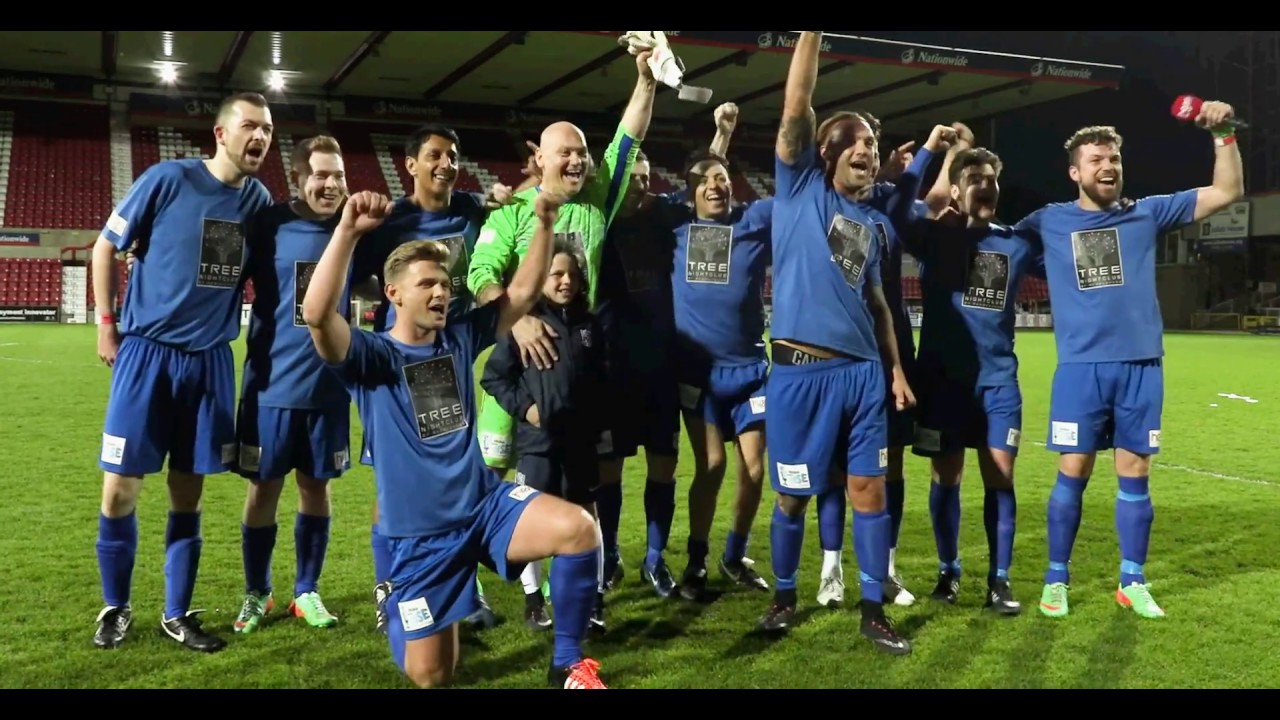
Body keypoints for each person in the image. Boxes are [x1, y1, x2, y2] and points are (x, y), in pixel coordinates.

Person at [301, 189, 607, 689]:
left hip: (484, 507)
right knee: (432, 675)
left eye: (444, 284)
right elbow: (317, 315)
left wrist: (545, 223)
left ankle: (567, 666)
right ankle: (397, 599)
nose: (440, 292)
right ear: (394, 294)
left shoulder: (459, 338)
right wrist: (348, 232)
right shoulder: (372, 358)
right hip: (422, 538)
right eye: (426, 284)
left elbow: (521, 295)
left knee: (578, 529)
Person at [1012, 107, 1243, 619]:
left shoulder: (1147, 212)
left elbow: (1226, 192)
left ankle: (1132, 581)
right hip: (1081, 369)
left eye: (1113, 158)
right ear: (1075, 171)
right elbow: (993, 246)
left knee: (1135, 474)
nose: (1108, 166)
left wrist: (1224, 134)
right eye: (1096, 160)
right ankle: (1056, 579)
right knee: (1072, 471)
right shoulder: (1048, 221)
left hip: (1142, 366)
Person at [762, 31, 949, 654]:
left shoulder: (871, 223)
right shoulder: (798, 188)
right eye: (858, 142)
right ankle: (783, 597)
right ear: (828, 151)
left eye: (873, 144)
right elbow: (796, 104)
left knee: (869, 489)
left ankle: (873, 610)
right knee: (792, 495)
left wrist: (894, 369)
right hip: (799, 374)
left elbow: (878, 304)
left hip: (864, 377)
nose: (869, 151)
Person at [92, 92, 275, 652]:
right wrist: (106, 324)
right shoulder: (167, 179)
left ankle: (177, 614)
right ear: (220, 133)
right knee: (120, 489)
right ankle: (116, 607)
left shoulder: (260, 201)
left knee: (187, 494)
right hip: (147, 353)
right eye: (250, 126)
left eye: (267, 130)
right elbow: (105, 247)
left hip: (210, 361)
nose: (260, 137)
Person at [350, 123, 511, 632]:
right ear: (411, 165)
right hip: (402, 366)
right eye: (435, 155)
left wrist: (515, 191)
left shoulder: (470, 210)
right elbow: (357, 282)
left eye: (453, 155)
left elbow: (507, 215)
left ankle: (464, 585)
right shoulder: (391, 223)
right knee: (394, 485)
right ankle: (390, 589)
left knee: (459, 477)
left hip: (454, 356)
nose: (446, 163)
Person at [592, 104, 735, 602]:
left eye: (645, 178)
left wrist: (721, 136)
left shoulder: (665, 212)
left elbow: (703, 181)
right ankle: (609, 554)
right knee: (608, 471)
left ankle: (655, 558)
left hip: (660, 367)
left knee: (663, 466)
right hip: (610, 367)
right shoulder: (598, 218)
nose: (640, 186)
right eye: (631, 179)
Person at [903, 145, 1041, 614]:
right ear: (957, 190)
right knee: (946, 478)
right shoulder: (933, 237)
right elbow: (901, 211)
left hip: (998, 382)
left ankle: (999, 581)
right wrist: (936, 160)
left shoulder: (1016, 243)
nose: (986, 186)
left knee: (1000, 477)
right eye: (975, 179)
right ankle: (949, 571)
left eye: (991, 179)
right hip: (942, 381)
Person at [232, 134, 351, 634]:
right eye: (320, 175)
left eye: (338, 175)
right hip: (271, 387)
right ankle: (257, 592)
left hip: (329, 388)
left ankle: (307, 591)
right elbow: (221, 276)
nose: (330, 185)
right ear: (298, 178)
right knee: (263, 488)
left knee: (315, 487)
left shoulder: (353, 226)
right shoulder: (268, 224)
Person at [479, 239, 609, 630]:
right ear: (541, 280)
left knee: (586, 518)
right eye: (556, 274)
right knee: (532, 520)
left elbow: (602, 376)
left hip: (581, 444)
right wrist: (527, 409)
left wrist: (598, 418)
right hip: (538, 446)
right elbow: (494, 377)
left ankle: (592, 600)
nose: (565, 281)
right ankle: (533, 600)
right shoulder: (525, 325)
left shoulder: (590, 325)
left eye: (571, 274)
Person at [669, 151, 773, 601]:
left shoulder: (753, 223)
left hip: (750, 370)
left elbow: (800, 195)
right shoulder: (674, 230)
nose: (716, 186)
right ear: (691, 192)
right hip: (700, 374)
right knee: (711, 466)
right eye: (706, 181)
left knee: (755, 468)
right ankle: (696, 560)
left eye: (723, 177)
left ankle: (735, 555)